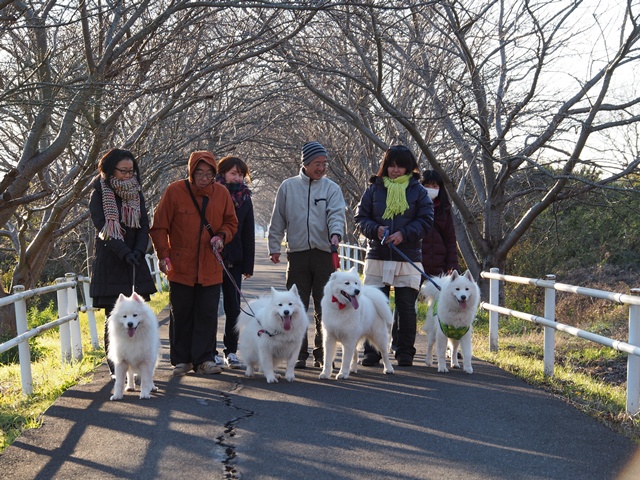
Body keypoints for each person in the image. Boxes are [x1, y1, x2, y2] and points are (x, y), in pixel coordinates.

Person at [149, 150, 238, 376]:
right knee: (182, 311)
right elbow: (159, 226)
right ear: (191, 172)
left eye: (209, 173)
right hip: (180, 266)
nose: (204, 178)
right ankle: (182, 360)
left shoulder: (222, 194)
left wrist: (221, 236)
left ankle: (205, 359)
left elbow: (231, 222)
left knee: (207, 313)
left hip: (210, 265)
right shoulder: (174, 191)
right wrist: (163, 255)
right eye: (199, 172)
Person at [268, 141, 346, 369]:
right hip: (298, 254)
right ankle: (298, 353)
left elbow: (336, 215)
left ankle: (323, 353)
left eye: (324, 164)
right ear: (305, 163)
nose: (321, 168)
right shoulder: (287, 187)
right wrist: (274, 245)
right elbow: (278, 218)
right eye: (316, 163)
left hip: (324, 253)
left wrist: (335, 234)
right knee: (294, 306)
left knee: (325, 306)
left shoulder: (332, 188)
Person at [354, 145, 433, 367]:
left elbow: (426, 221)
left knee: (406, 307)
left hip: (406, 256)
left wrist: (403, 234)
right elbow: (360, 218)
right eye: (391, 165)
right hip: (377, 255)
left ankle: (405, 351)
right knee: (372, 305)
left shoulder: (418, 191)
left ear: (409, 168)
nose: (395, 170)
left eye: (400, 166)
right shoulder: (373, 189)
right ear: (385, 166)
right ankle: (372, 352)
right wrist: (375, 229)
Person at [89, 148, 157, 376]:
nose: (129, 175)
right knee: (114, 318)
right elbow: (103, 227)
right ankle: (117, 369)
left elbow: (144, 224)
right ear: (110, 170)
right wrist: (124, 251)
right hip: (111, 260)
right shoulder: (99, 191)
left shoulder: (136, 191)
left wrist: (138, 250)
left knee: (137, 316)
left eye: (131, 171)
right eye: (123, 171)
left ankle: (141, 366)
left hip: (134, 261)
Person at [391, 169, 460, 350]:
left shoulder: (445, 209)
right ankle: (397, 341)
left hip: (439, 267)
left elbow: (451, 241)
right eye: (426, 185)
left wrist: (452, 266)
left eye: (434, 186)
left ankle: (450, 347)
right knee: (405, 304)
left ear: (440, 188)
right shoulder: (410, 205)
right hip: (413, 262)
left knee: (445, 308)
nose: (430, 189)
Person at [215, 156, 255, 369]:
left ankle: (231, 351)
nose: (237, 177)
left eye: (240, 174)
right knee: (210, 307)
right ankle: (209, 352)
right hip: (213, 258)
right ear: (222, 173)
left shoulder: (246, 198)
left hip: (236, 260)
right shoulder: (212, 193)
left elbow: (248, 232)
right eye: (233, 173)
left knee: (234, 308)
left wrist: (248, 265)